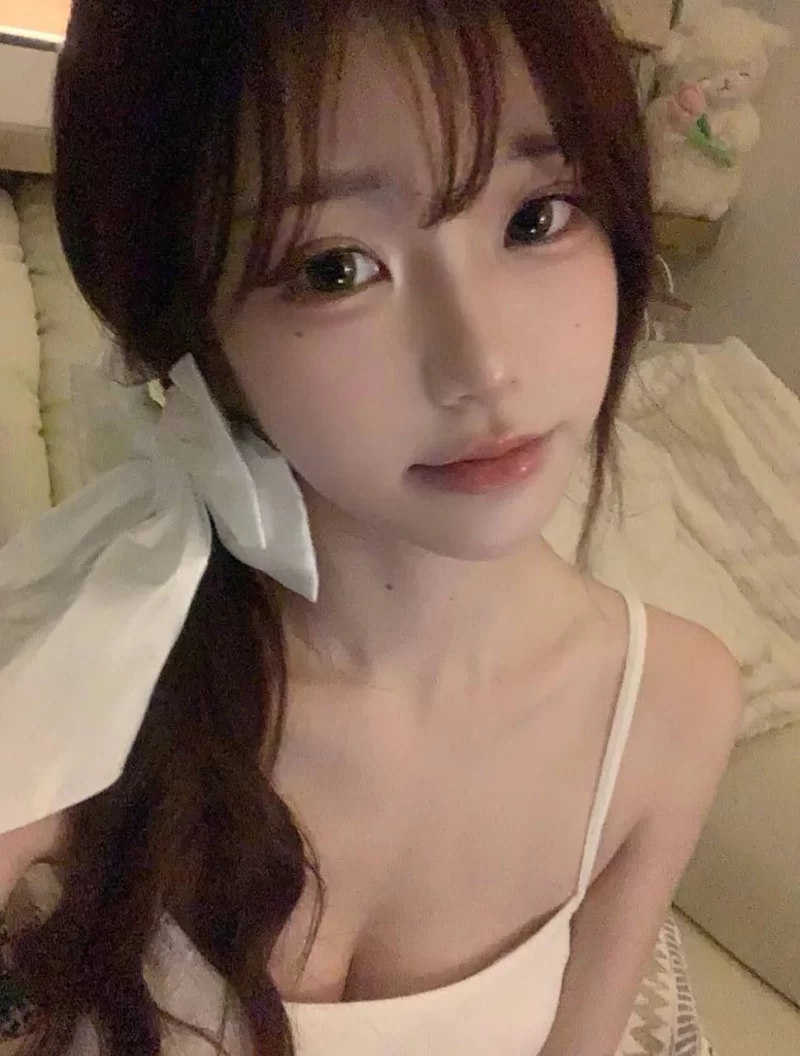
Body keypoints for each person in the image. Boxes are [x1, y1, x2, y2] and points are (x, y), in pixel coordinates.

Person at [0, 1, 743, 1054]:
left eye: (537, 217)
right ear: (191, 334)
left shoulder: (672, 707)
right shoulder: (95, 671)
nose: (483, 366)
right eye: (333, 267)